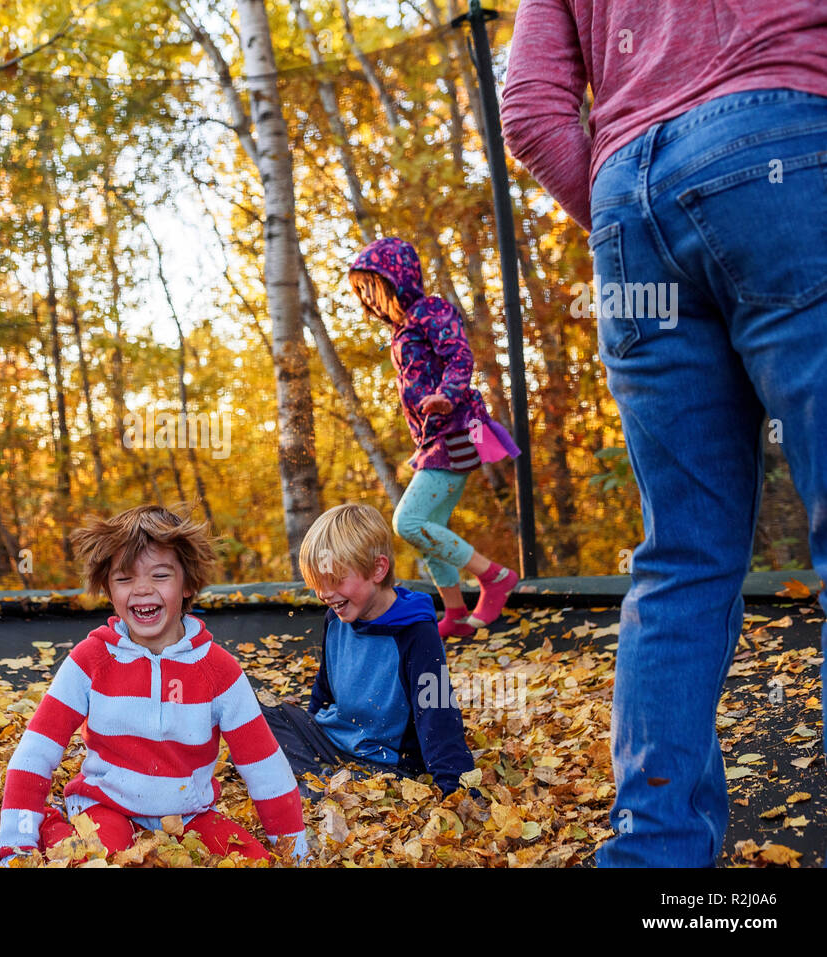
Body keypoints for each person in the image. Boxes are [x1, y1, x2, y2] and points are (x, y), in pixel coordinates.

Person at [500, 0, 827, 866]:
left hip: (629, 209)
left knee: (679, 554)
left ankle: (655, 860)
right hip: (790, 149)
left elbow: (531, 107)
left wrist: (619, 210)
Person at [0, 504, 307, 865]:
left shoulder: (218, 671)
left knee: (250, 862)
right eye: (125, 579)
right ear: (109, 589)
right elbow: (36, 750)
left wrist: (294, 852)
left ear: (188, 583)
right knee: (101, 860)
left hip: (188, 814)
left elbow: (264, 765)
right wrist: (17, 844)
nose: (142, 590)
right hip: (106, 804)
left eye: (160, 576)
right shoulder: (91, 660)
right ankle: (52, 824)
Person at [348, 236, 522, 639]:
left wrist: (448, 394)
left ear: (397, 282)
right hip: (433, 439)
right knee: (430, 527)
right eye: (364, 295)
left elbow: (458, 355)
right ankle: (457, 613)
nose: (371, 301)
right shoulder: (401, 330)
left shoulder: (431, 309)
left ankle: (494, 577)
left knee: (407, 522)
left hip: (457, 429)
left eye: (375, 290)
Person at [259, 504, 476, 799]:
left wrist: (458, 792)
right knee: (259, 718)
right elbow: (324, 689)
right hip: (333, 742)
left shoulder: (416, 633)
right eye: (317, 584)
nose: (324, 594)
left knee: (346, 786)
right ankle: (316, 781)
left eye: (335, 581)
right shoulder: (335, 619)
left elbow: (438, 712)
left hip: (383, 762)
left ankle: (317, 784)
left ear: (378, 569)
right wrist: (306, 733)